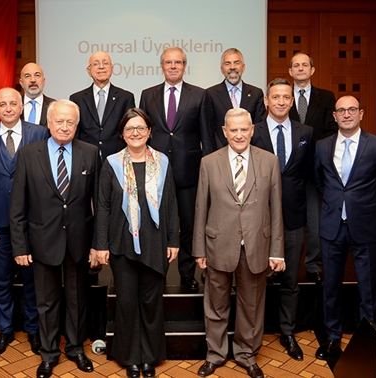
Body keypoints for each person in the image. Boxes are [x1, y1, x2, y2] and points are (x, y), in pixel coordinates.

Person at [10, 100, 100, 378]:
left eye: (70, 122)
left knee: (77, 298)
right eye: (59, 121)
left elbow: (99, 204)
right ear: (48, 124)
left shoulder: (90, 153)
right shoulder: (28, 154)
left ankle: (75, 348)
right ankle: (48, 353)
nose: (64, 126)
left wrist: (97, 244)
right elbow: (17, 206)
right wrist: (20, 245)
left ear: (77, 125)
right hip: (41, 240)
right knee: (45, 301)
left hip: (79, 240)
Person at [193, 108, 284, 378]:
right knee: (216, 305)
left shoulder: (269, 161)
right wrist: (199, 248)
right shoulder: (209, 162)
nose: (239, 134)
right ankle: (215, 354)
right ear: (224, 131)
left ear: (252, 130)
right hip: (218, 244)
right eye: (233, 130)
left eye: (244, 129)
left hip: (257, 244)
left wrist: (277, 251)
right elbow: (201, 207)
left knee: (251, 306)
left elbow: (275, 208)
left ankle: (246, 353)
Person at [96, 108, 179, 378]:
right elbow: (104, 207)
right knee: (127, 302)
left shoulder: (162, 161)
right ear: (122, 134)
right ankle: (130, 357)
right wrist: (101, 244)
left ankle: (150, 357)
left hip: (155, 241)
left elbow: (170, 204)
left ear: (149, 132)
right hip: (122, 243)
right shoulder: (112, 163)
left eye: (141, 128)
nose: (135, 133)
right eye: (130, 129)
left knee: (152, 301)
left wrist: (173, 239)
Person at [314, 95, 376, 361]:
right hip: (331, 226)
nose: (346, 114)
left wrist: (367, 207)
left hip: (366, 226)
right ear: (334, 116)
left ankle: (368, 342)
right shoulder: (322, 146)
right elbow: (319, 182)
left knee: (369, 289)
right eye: (341, 110)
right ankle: (332, 339)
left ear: (361, 113)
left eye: (351, 110)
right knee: (331, 288)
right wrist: (336, 204)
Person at [0, 88, 49, 357]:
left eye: (13, 103)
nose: (8, 108)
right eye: (2, 104)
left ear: (22, 107)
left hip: (31, 221)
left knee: (32, 280)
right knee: (2, 280)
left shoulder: (39, 133)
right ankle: (5, 330)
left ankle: (33, 330)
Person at [140, 46, 215, 292]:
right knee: (156, 224)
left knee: (190, 225)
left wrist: (208, 171)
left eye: (178, 62)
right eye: (169, 62)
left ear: (184, 66)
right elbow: (143, 135)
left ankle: (186, 272)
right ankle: (157, 270)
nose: (173, 66)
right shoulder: (147, 94)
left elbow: (207, 135)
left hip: (189, 171)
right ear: (162, 66)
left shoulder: (200, 95)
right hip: (156, 172)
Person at [250, 78, 315, 361]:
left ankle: (288, 332)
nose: (280, 101)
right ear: (266, 101)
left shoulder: (307, 132)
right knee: (255, 280)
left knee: (290, 281)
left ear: (292, 101)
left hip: (293, 217)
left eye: (285, 97)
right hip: (257, 220)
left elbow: (310, 176)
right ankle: (254, 334)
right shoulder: (252, 131)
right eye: (275, 97)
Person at [288, 51, 338, 283]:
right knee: (283, 219)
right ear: (290, 71)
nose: (300, 69)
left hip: (315, 168)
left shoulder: (326, 97)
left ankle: (313, 264)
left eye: (304, 65)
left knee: (314, 220)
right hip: (287, 169)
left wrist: (311, 151)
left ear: (312, 70)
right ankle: (280, 263)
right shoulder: (283, 97)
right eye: (296, 65)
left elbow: (331, 131)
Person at [71, 51, 136, 160]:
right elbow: (75, 132)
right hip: (85, 158)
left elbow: (129, 130)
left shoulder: (126, 97)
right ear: (88, 71)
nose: (101, 67)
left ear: (111, 68)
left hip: (118, 159)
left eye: (105, 63)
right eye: (96, 64)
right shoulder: (77, 99)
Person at [207, 48, 267, 149]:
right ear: (221, 69)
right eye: (227, 64)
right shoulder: (210, 94)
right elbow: (209, 130)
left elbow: (260, 127)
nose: (232, 67)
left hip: (249, 152)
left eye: (236, 63)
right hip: (220, 153)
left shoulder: (256, 93)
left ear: (243, 67)